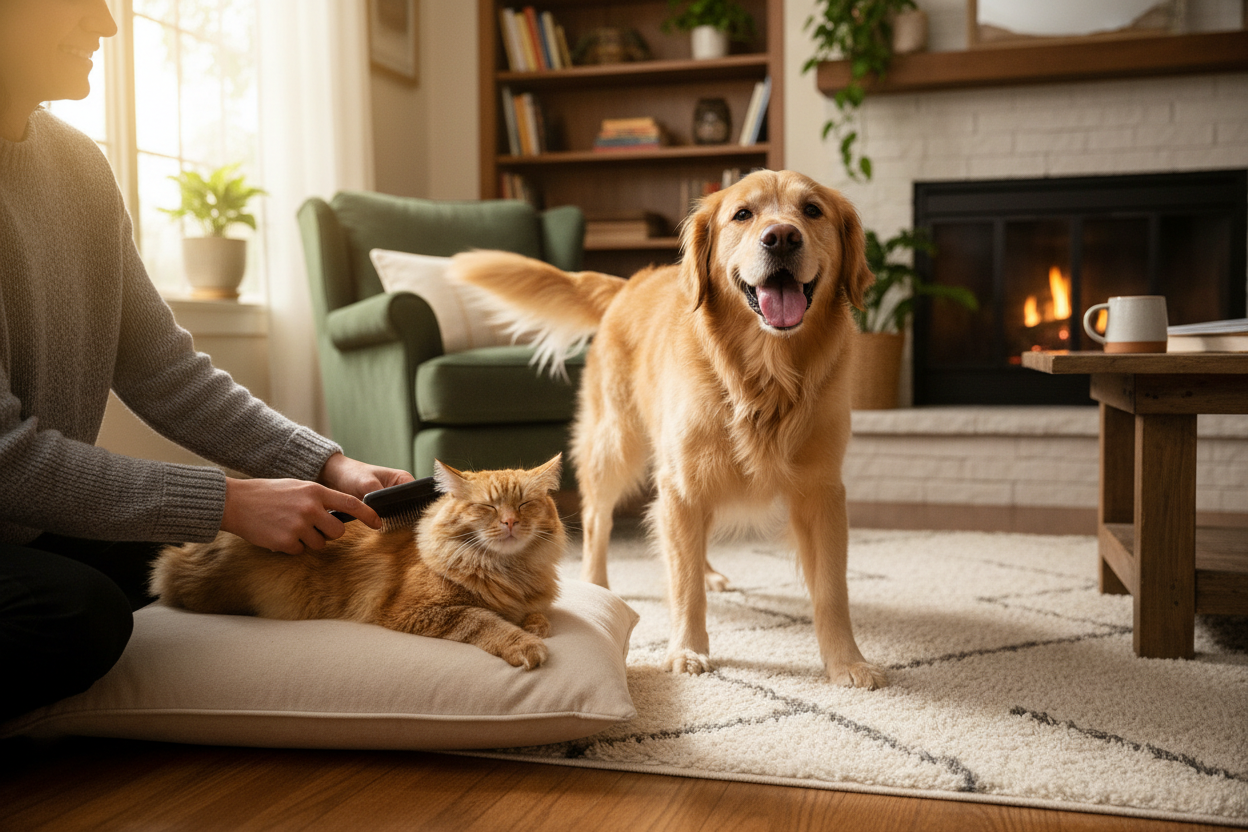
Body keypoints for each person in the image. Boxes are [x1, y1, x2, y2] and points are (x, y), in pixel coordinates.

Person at [0, 0, 414, 721]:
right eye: (75, 2)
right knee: (80, 614)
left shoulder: (76, 167)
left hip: (15, 522)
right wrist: (230, 500)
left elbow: (163, 367)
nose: (104, 25)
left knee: (183, 563)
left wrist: (324, 466)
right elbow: (8, 460)